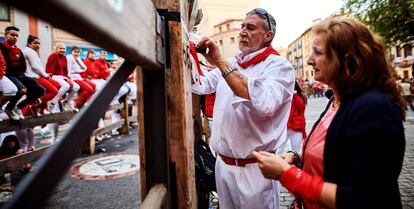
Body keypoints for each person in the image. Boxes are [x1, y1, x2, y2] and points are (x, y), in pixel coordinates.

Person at [253, 17, 406, 209]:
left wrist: (287, 174)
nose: (309, 60)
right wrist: (296, 158)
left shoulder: (373, 109)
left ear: (346, 60)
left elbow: (364, 198)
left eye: (317, 53)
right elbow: (333, 150)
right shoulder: (337, 99)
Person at [192, 8, 295, 209]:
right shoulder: (233, 62)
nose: (242, 32)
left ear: (268, 36)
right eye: (242, 27)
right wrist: (187, 53)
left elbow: (263, 103)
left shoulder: (280, 67)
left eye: (250, 27)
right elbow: (202, 84)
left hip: (255, 171)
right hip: (223, 166)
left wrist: (219, 62)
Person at [0, 26, 45, 120]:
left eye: (17, 36)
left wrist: (16, 65)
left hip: (20, 74)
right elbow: (7, 64)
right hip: (8, 74)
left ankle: (18, 107)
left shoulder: (18, 50)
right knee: (22, 89)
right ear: (6, 35)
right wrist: (16, 64)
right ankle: (9, 108)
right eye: (12, 35)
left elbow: (23, 66)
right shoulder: (2, 47)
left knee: (40, 90)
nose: (15, 37)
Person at [22, 35, 62, 114]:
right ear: (29, 44)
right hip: (33, 77)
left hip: (37, 75)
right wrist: (45, 75)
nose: (38, 45)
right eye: (35, 43)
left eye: (39, 43)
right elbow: (35, 67)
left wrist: (44, 74)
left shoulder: (33, 52)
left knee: (58, 85)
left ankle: (40, 104)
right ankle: (38, 102)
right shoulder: (29, 51)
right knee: (54, 91)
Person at [278, 80, 307, 153]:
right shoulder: (284, 95)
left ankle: (295, 164)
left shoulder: (300, 96)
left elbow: (301, 108)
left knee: (296, 151)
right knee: (278, 151)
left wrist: (294, 95)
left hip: (296, 127)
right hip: (285, 127)